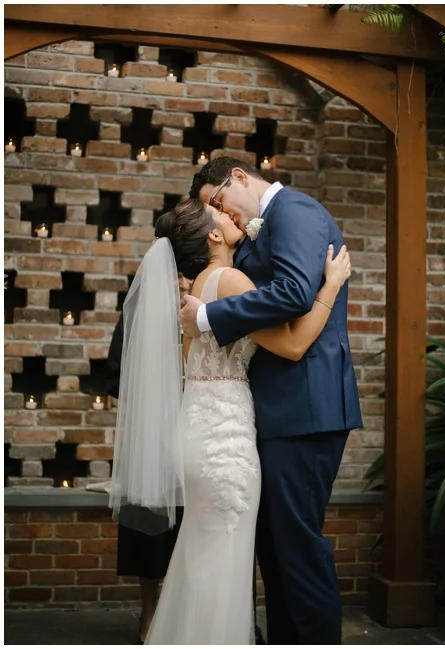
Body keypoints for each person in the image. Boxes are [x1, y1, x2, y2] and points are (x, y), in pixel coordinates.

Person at [110, 198, 351, 644]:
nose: (230, 214)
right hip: (227, 442)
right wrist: (331, 287)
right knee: (224, 560)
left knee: (201, 554)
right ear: (214, 236)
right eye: (219, 213)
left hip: (196, 431)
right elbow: (293, 345)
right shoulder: (230, 281)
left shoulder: (196, 289)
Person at [178, 158, 362, 644]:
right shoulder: (254, 235)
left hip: (304, 407)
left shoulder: (294, 211)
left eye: (217, 202)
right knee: (276, 551)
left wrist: (210, 315)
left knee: (296, 548)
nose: (223, 215)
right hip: (271, 412)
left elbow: (295, 293)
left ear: (238, 177)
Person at [107, 311, 184, 645]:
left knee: (191, 526)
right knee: (148, 525)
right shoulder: (138, 314)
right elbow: (115, 374)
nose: (181, 282)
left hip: (198, 424)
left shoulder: (208, 303)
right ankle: (149, 610)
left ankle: (185, 612)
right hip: (151, 431)